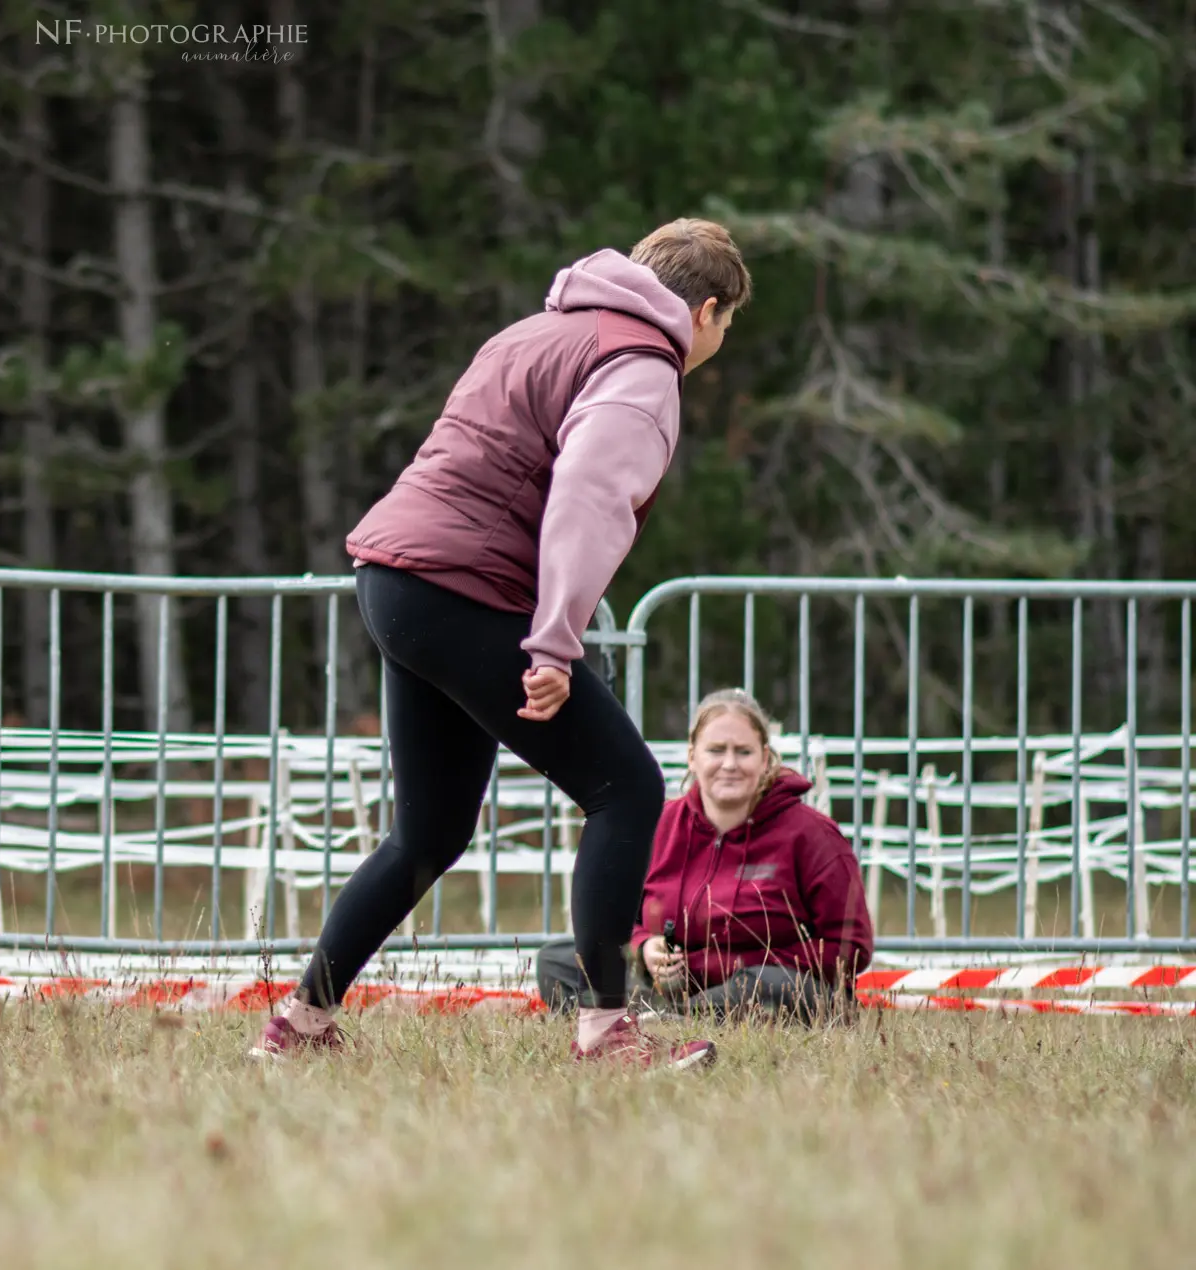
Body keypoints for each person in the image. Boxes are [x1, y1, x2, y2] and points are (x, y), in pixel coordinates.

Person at [251, 219, 750, 1070]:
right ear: (704, 310)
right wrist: (554, 645)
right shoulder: (644, 368)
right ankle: (606, 1031)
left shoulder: (541, 327)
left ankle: (298, 1024)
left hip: (395, 579)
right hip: (460, 590)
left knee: (430, 829)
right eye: (728, 325)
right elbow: (586, 501)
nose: (719, 341)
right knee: (625, 787)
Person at [534, 688, 875, 1023]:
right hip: (669, 987)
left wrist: (724, 966)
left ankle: (656, 1020)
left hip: (765, 986)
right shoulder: (658, 824)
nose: (729, 764)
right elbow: (623, 918)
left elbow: (851, 947)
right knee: (559, 960)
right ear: (692, 757)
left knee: (771, 986)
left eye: (743, 752)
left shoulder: (812, 834)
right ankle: (672, 1018)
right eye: (715, 750)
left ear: (765, 758)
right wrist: (643, 948)